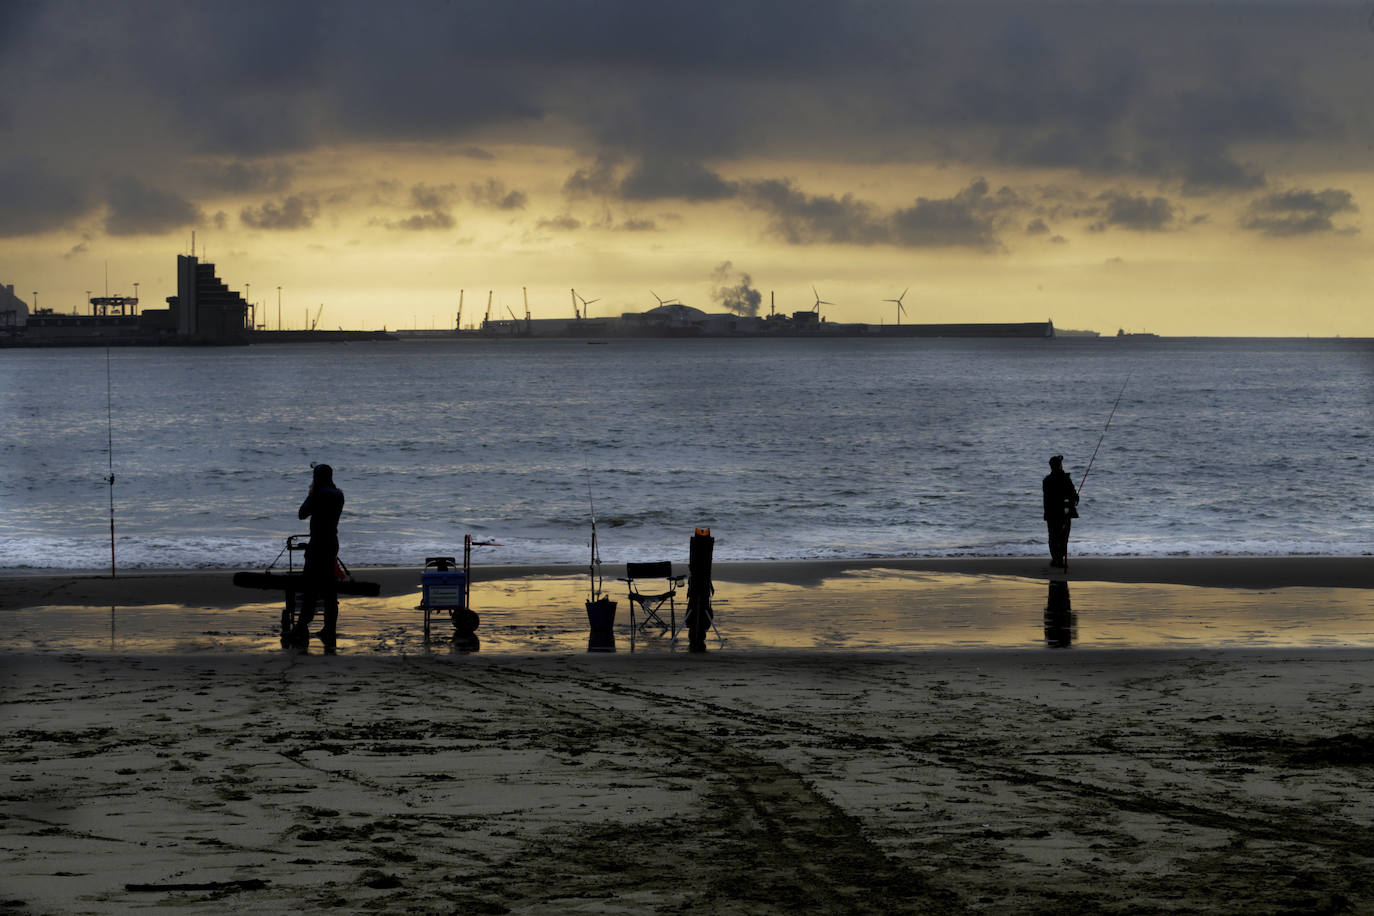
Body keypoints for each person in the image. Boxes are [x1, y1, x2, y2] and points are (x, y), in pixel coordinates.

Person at [288, 463, 345, 649]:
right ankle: (329, 628)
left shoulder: (318, 494)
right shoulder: (338, 495)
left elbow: (302, 514)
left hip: (317, 544)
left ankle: (302, 626)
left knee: (310, 587)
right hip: (332, 543)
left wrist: (311, 492)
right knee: (329, 590)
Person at [1042, 454, 1079, 569]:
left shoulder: (1046, 481)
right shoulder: (1065, 479)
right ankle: (1060, 559)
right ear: (1059, 465)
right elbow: (1073, 495)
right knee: (1063, 536)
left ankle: (1056, 559)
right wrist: (1076, 497)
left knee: (1053, 536)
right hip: (1065, 513)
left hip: (1051, 513)